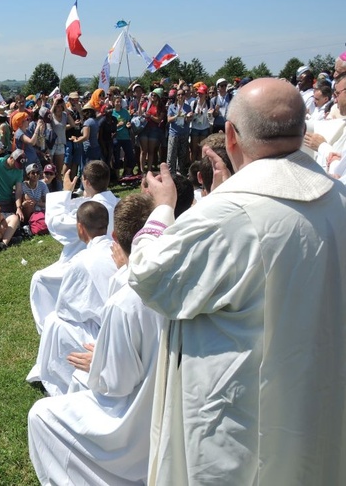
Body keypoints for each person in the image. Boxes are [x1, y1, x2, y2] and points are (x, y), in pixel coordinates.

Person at [128, 78, 346, 485]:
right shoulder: (339, 197)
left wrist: (162, 210)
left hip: (244, 419)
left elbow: (149, 275)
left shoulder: (225, 216)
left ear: (231, 136)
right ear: (303, 131)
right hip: (322, 398)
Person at [28, 193, 164, 485]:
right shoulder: (174, 281)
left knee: (41, 414)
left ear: (116, 235)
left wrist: (100, 362)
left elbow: (117, 382)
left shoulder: (125, 301)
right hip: (163, 400)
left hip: (133, 420)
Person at [26, 201, 116, 396]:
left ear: (80, 228)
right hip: (123, 325)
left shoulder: (81, 261)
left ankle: (59, 380)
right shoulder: (117, 249)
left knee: (54, 322)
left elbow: (66, 308)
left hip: (106, 332)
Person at [29, 160, 118, 334]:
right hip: (114, 257)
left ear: (85, 181)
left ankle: (51, 328)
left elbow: (57, 224)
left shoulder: (90, 211)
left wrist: (65, 191)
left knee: (40, 280)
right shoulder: (116, 202)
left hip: (87, 260)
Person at [166, 88, 194, 175]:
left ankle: (180, 174)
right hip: (174, 133)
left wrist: (189, 117)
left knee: (182, 156)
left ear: (185, 96)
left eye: (182, 94)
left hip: (184, 133)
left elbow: (188, 120)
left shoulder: (188, 107)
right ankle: (170, 174)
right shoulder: (172, 106)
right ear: (176, 96)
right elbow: (169, 119)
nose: (180, 96)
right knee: (171, 156)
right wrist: (176, 116)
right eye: (178, 95)